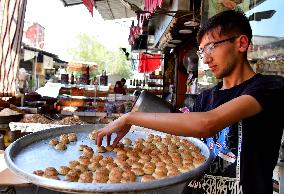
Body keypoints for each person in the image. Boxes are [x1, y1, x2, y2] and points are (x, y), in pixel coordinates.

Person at [95, 10, 284, 194]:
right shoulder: (206, 97)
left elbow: (207, 123)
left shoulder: (270, 87)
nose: (206, 58)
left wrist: (131, 118)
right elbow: (187, 137)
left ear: (241, 43)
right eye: (202, 51)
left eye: (212, 46)